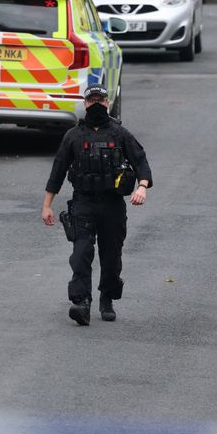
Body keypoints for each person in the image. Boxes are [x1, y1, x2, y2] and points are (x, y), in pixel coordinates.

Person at [41, 85, 153, 326]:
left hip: (112, 205)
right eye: (91, 101)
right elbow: (58, 171)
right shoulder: (73, 136)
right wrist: (47, 205)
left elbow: (141, 161)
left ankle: (107, 299)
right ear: (85, 104)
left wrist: (142, 186)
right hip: (83, 203)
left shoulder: (120, 134)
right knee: (81, 253)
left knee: (111, 257)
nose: (96, 105)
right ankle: (81, 303)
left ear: (107, 103)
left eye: (100, 101)